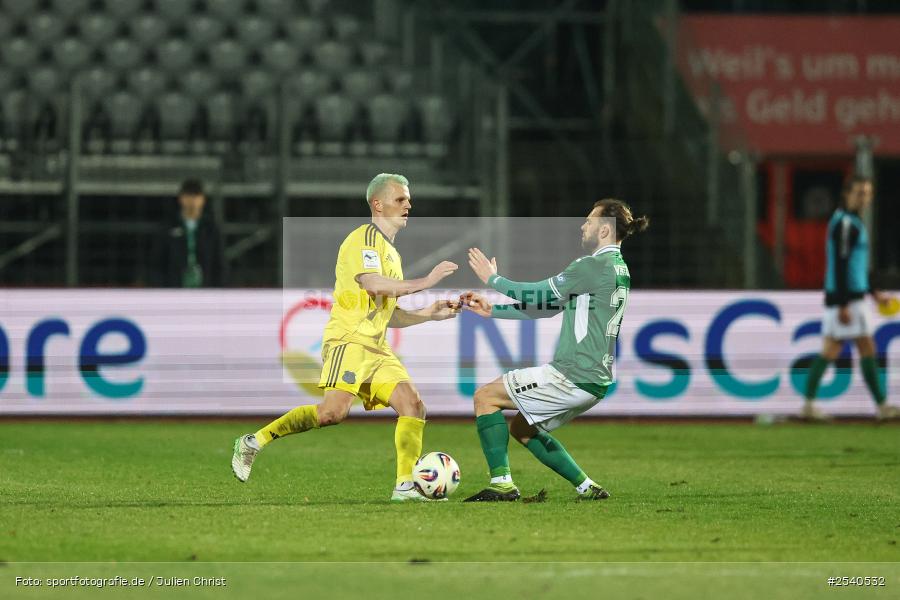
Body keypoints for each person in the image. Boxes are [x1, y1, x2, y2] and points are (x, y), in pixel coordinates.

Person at [231, 173, 461, 501]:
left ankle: (404, 486)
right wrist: (426, 282)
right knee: (332, 413)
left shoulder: (392, 254)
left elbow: (389, 313)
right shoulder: (363, 239)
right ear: (377, 204)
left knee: (413, 405)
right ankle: (253, 442)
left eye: (409, 200)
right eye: (400, 199)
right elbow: (372, 283)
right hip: (349, 340)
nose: (408, 205)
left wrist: (429, 314)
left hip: (376, 347)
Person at [460, 199, 649, 502]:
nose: (583, 226)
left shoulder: (593, 265)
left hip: (572, 374)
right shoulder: (618, 268)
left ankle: (501, 484)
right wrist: (493, 311)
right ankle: (586, 487)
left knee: (485, 397)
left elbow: (541, 292)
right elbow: (548, 307)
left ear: (604, 229)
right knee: (522, 428)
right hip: (595, 382)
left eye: (589, 221)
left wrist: (493, 280)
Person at [801, 174, 899, 421]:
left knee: (832, 350)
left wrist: (873, 292)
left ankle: (809, 405)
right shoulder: (845, 223)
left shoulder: (852, 222)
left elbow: (857, 265)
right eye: (859, 193)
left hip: (849, 296)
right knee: (864, 348)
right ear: (847, 194)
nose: (864, 198)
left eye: (867, 193)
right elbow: (841, 263)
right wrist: (843, 303)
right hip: (847, 298)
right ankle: (882, 406)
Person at [156, 179, 227, 287]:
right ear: (181, 198)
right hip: (174, 289)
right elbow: (158, 262)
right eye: (188, 195)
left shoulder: (211, 229)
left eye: (196, 196)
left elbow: (219, 262)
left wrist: (217, 290)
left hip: (205, 288)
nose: (192, 200)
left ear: (202, 199)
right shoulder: (169, 226)